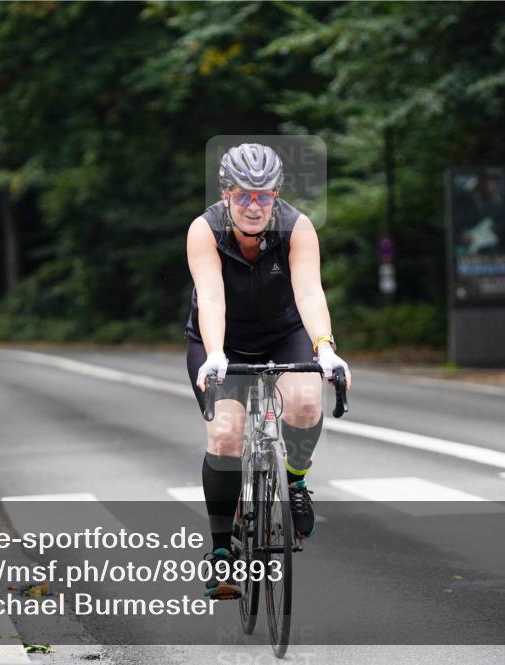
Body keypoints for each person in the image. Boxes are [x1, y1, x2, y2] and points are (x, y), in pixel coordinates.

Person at [185, 143, 352, 599]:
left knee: (303, 399)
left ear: (276, 194)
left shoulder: (297, 228)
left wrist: (325, 349)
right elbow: (212, 297)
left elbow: (310, 293)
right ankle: (221, 550)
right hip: (222, 340)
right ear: (226, 196)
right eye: (243, 196)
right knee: (225, 435)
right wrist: (217, 353)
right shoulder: (204, 231)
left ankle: (295, 479)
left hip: (284, 333)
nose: (254, 205)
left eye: (263, 195)